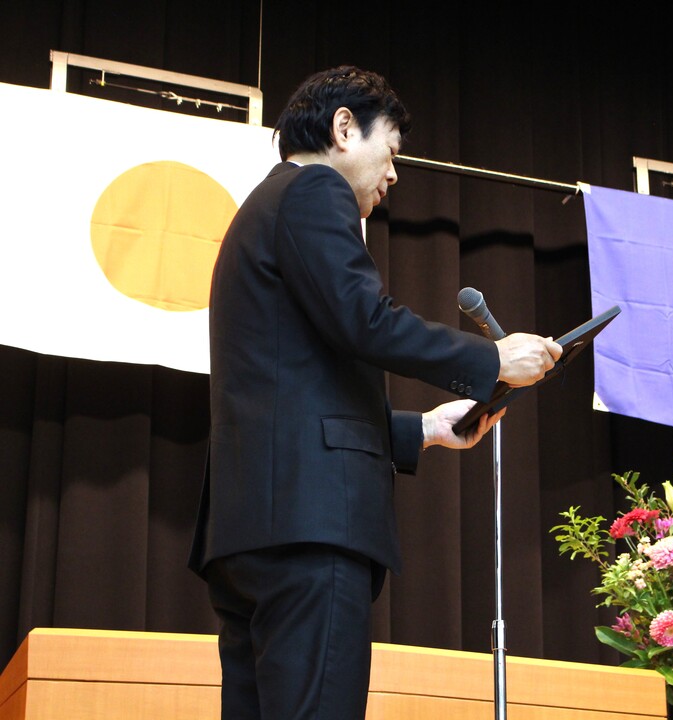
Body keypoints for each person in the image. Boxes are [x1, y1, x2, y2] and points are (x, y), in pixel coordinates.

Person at [188, 66, 562, 720]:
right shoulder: (315, 190)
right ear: (343, 128)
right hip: (310, 532)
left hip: (251, 533)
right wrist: (492, 358)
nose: (393, 175)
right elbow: (364, 319)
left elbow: (290, 392)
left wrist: (425, 429)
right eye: (389, 152)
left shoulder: (263, 208)